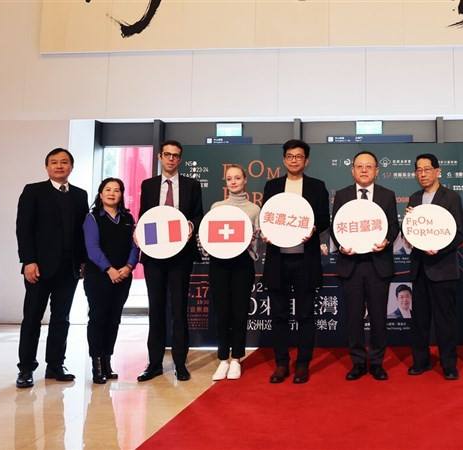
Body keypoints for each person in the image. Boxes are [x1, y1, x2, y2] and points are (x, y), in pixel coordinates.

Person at [15, 148, 89, 388]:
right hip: (39, 268)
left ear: (71, 167)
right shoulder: (33, 191)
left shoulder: (80, 195)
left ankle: (55, 365)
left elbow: (81, 233)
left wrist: (83, 262)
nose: (59, 166)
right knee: (32, 318)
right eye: (54, 162)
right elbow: (23, 229)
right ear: (47, 167)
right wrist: (28, 260)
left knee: (61, 319)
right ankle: (26, 368)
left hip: (69, 270)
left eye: (64, 162)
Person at [262, 139, 330, 384]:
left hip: (306, 260)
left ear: (306, 160)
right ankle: (281, 363)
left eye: (299, 156)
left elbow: (324, 219)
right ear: (284, 159)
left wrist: (313, 229)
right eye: (289, 156)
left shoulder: (316, 186)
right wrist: (265, 231)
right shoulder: (272, 186)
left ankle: (302, 363)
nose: (294, 160)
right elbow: (265, 217)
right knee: (278, 315)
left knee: (305, 315)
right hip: (278, 259)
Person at [137, 140, 204, 382]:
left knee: (178, 309)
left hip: (180, 255)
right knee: (155, 309)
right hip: (154, 255)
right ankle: (154, 363)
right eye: (167, 155)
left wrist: (191, 225)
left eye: (176, 155)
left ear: (181, 159)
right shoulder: (148, 185)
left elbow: (198, 213)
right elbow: (145, 217)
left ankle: (179, 363)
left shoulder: (191, 185)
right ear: (159, 157)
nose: (171, 159)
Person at [331, 151, 399, 381]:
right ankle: (358, 362)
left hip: (377, 264)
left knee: (379, 317)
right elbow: (335, 227)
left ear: (377, 170)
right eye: (359, 166)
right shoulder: (341, 195)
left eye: (368, 166)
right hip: (351, 264)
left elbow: (393, 228)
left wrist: (387, 240)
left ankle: (377, 362)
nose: (363, 170)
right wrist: (341, 245)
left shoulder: (387, 195)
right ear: (352, 170)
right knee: (353, 317)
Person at [405, 153, 463, 380]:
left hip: (443, 266)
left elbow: (459, 233)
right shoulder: (413, 198)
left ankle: (449, 365)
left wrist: (439, 247)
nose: (422, 174)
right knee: (419, 319)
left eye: (427, 169)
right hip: (420, 267)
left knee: (445, 320)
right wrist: (409, 228)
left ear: (437, 171)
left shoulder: (451, 197)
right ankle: (420, 362)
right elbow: (408, 233)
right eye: (418, 170)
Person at [82, 177, 139, 384]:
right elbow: (92, 248)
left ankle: (107, 362)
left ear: (122, 195)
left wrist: (128, 267)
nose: (112, 193)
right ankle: (97, 366)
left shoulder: (128, 218)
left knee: (114, 319)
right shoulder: (92, 218)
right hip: (98, 277)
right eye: (108, 189)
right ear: (100, 194)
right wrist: (109, 269)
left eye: (117, 190)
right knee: (98, 318)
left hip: (123, 276)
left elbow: (135, 246)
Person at [209, 164, 261, 381]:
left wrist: (251, 240)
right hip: (219, 263)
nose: (233, 182)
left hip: (242, 264)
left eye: (237, 178)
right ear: (226, 182)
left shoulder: (254, 209)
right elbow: (210, 236)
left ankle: (237, 358)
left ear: (245, 180)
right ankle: (223, 358)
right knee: (222, 312)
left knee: (240, 311)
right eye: (229, 178)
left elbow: (257, 242)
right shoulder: (216, 207)